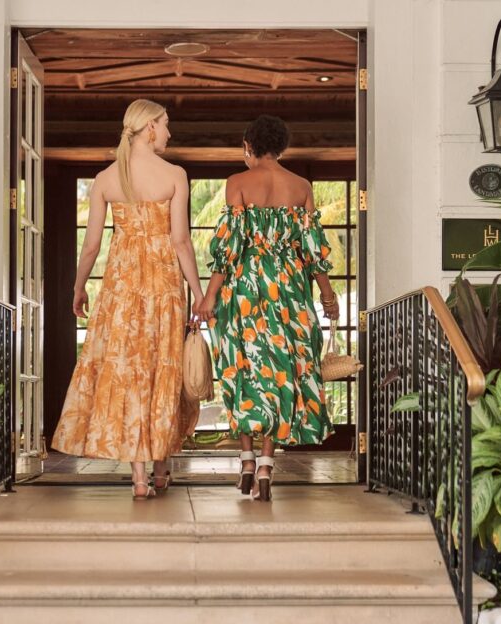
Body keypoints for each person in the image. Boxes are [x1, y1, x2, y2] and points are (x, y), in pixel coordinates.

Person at [52, 99, 204, 499]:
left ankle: (138, 478)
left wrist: (78, 286)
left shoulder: (105, 178)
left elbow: (90, 248)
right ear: (150, 127)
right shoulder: (174, 174)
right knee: (161, 370)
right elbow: (181, 242)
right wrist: (200, 292)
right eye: (166, 124)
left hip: (121, 285)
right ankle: (160, 469)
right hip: (164, 285)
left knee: (130, 372)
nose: (170, 132)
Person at [196, 115, 339, 502]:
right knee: (281, 371)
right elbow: (313, 252)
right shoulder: (301, 186)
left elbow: (228, 251)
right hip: (289, 292)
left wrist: (209, 298)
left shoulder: (237, 184)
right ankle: (265, 465)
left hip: (245, 290)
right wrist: (327, 296)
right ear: (283, 146)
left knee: (242, 365)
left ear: (248, 145)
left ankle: (244, 458)